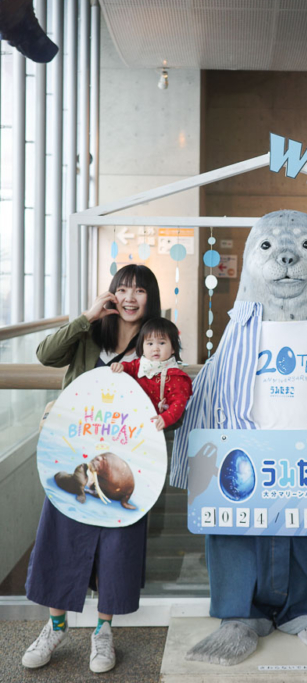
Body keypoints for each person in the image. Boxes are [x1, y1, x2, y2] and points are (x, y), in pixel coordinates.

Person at [23, 265, 161, 674]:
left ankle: (103, 633)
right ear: (111, 294)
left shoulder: (155, 341)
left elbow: (168, 390)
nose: (130, 297)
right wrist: (87, 316)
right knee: (62, 533)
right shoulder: (90, 334)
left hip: (126, 465)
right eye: (122, 289)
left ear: (151, 296)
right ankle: (56, 626)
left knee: (118, 546)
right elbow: (45, 355)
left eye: (139, 290)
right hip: (76, 457)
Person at [111, 317, 192, 430]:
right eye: (150, 343)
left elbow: (178, 402)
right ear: (142, 346)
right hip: (136, 420)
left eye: (162, 343)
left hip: (161, 424)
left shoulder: (176, 376)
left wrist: (166, 418)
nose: (155, 349)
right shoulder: (140, 365)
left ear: (173, 348)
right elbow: (128, 367)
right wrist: (121, 366)